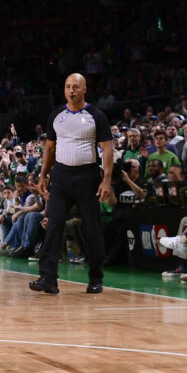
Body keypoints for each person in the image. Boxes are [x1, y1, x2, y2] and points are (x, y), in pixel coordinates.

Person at [29, 74, 113, 294]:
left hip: (88, 176)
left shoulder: (96, 115)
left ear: (85, 89)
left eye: (76, 86)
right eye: (67, 87)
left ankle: (96, 278)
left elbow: (107, 148)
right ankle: (48, 278)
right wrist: (42, 175)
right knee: (53, 225)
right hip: (61, 177)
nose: (71, 90)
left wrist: (106, 180)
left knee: (92, 228)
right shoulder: (56, 115)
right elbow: (49, 147)